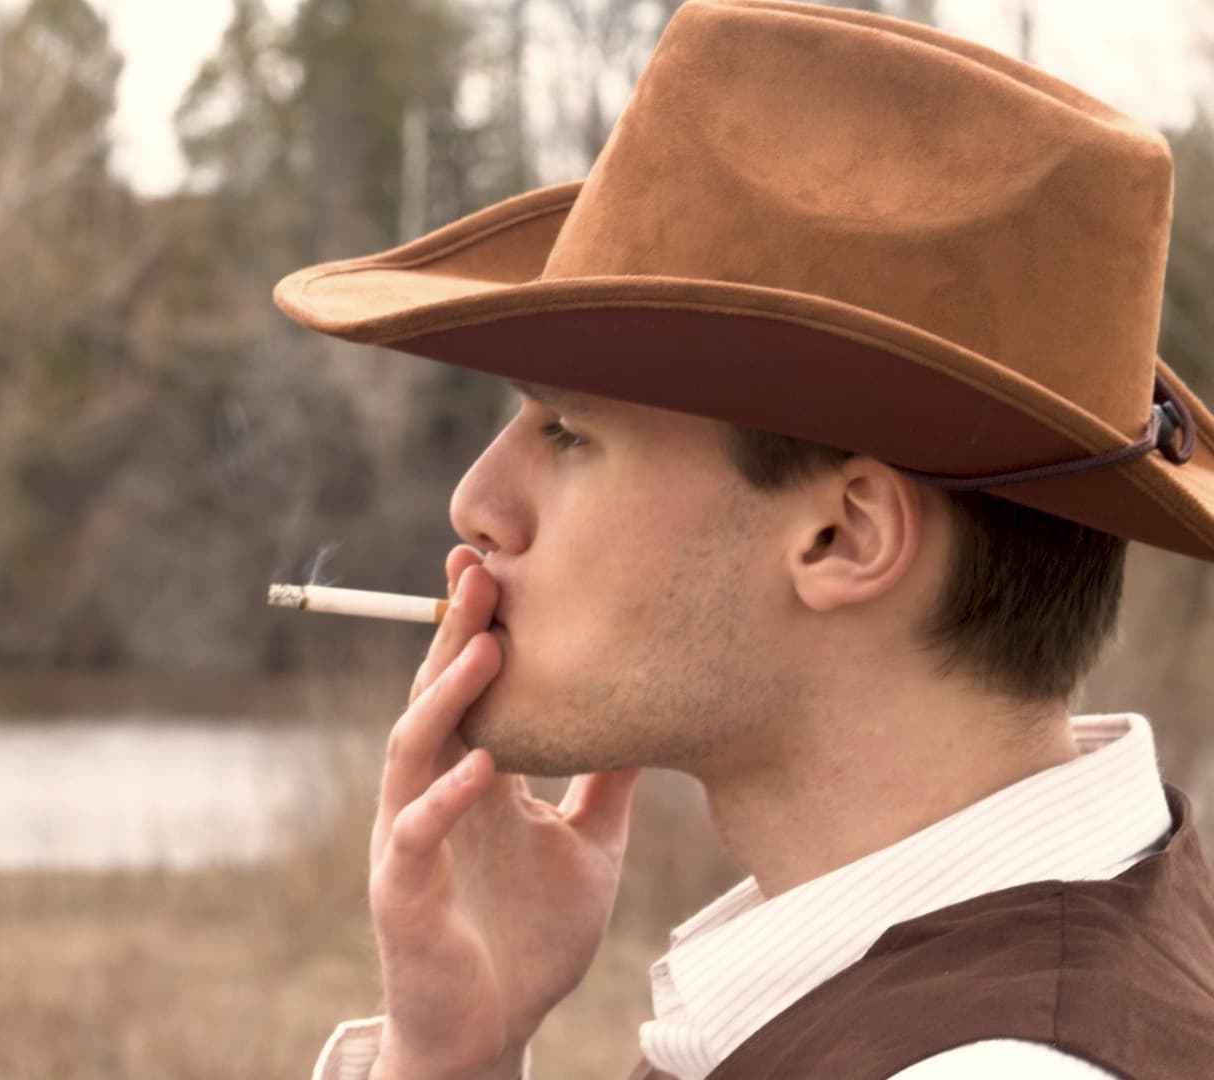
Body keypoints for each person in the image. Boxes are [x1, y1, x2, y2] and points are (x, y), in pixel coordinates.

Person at [270, 2, 1214, 1078]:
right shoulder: (1024, 967)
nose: (478, 502)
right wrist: (460, 1059)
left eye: (569, 431)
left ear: (841, 536)